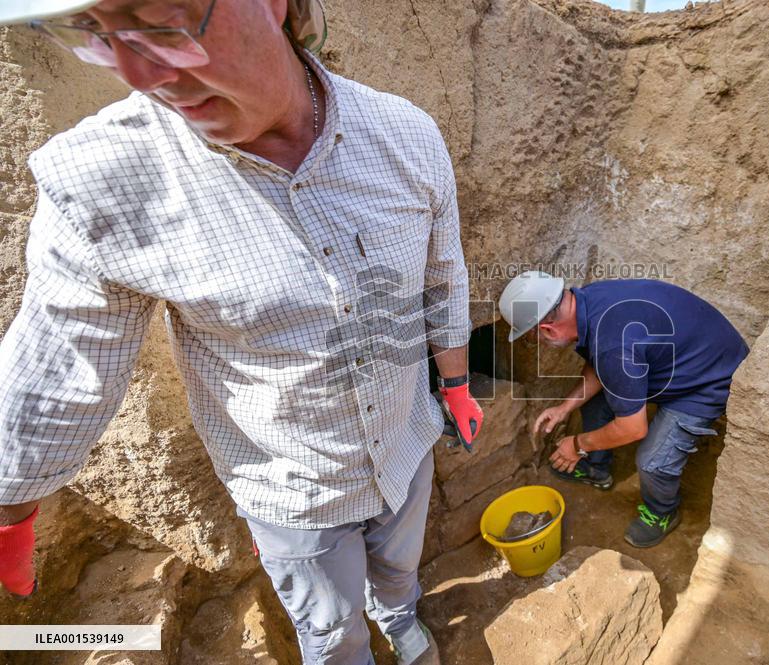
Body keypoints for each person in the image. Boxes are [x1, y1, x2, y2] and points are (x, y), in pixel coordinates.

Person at [0, 2, 484, 664]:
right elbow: (60, 362)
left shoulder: (405, 134)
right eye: (95, 34)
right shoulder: (99, 183)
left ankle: (398, 617)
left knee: (398, 571)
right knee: (330, 629)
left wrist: (453, 384)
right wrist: (12, 500)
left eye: (159, 17)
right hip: (295, 490)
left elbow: (442, 277)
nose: (138, 73)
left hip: (406, 443)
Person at [499, 271, 748, 548]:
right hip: (680, 359)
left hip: (706, 381)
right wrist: (564, 408)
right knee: (595, 401)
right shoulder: (588, 303)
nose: (539, 344)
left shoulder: (613, 347)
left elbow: (633, 427)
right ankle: (597, 470)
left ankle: (662, 512)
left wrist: (578, 444)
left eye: (533, 338)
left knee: (653, 461)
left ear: (547, 329)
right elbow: (601, 363)